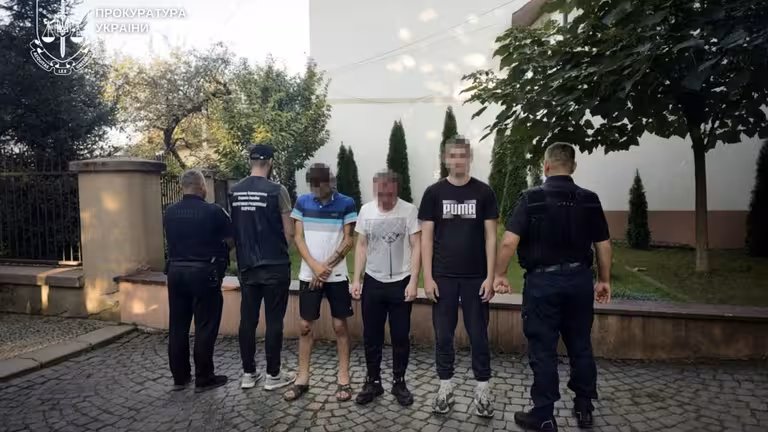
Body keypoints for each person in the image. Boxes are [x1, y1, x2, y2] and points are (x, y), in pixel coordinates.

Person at [494, 142, 612, 432]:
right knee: (581, 344)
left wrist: (500, 274)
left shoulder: (531, 198)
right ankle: (584, 407)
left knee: (543, 349)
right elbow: (603, 244)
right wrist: (603, 280)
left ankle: (544, 415)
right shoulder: (590, 199)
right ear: (573, 167)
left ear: (546, 166)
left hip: (542, 284)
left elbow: (508, 242)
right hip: (579, 281)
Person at [418, 135, 499, 417]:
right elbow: (426, 238)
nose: (458, 161)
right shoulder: (433, 193)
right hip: (443, 277)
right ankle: (445, 387)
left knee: (479, 335)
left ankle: (483, 390)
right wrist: (428, 277)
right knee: (443, 335)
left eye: (462, 155)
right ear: (445, 159)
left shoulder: (484, 192)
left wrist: (490, 277)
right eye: (452, 156)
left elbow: (491, 237)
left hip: (477, 277)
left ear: (470, 158)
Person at [283, 163, 357, 402]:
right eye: (312, 186)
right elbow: (298, 238)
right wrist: (315, 267)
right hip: (309, 274)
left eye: (320, 185)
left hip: (336, 275)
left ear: (330, 182)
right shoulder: (302, 202)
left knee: (339, 326)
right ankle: (302, 378)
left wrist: (325, 267)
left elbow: (348, 241)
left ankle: (343, 378)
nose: (315, 190)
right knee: (305, 326)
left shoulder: (346, 203)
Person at [350, 170, 421, 406]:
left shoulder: (409, 211)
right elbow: (361, 245)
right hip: (373, 281)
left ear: (396, 190)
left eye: (389, 194)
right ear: (375, 190)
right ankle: (373, 381)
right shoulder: (366, 211)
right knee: (372, 335)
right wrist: (356, 279)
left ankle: (399, 382)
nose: (385, 199)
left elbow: (416, 245)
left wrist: (413, 281)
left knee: (400, 335)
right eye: (380, 194)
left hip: (401, 282)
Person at [230, 144, 297, 391]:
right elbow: (289, 231)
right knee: (274, 320)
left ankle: (248, 373)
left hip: (247, 265)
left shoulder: (234, 191)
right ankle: (273, 375)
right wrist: (280, 250)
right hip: (274, 265)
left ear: (250, 162)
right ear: (270, 162)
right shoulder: (277, 191)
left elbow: (234, 229)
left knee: (247, 320)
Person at [163, 169, 231, 393]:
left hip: (175, 272)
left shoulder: (169, 212)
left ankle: (180, 377)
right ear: (202, 187)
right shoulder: (214, 211)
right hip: (204, 273)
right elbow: (231, 238)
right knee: (205, 326)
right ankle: (204, 378)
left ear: (183, 187)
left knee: (177, 326)